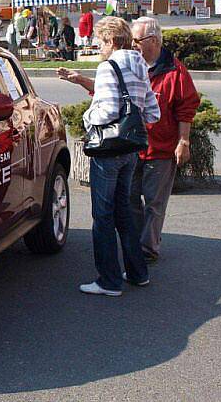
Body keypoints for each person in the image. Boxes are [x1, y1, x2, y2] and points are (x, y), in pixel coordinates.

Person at [57, 17, 160, 296]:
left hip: (109, 151)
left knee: (102, 215)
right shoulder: (141, 66)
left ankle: (109, 280)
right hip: (131, 150)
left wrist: (87, 116)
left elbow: (108, 111)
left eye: (100, 42)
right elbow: (153, 111)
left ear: (112, 41)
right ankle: (138, 273)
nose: (98, 47)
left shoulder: (107, 66)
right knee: (123, 211)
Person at [130, 17, 200, 263]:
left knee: (154, 204)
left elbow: (186, 107)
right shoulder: (131, 65)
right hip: (132, 147)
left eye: (137, 40)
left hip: (160, 150)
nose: (133, 44)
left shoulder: (175, 71)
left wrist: (184, 141)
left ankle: (147, 249)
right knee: (129, 199)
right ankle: (136, 242)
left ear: (154, 41)